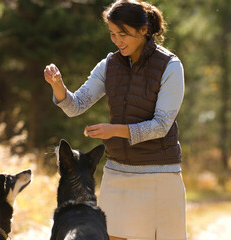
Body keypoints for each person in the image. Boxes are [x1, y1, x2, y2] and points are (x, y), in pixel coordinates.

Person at [44, 0, 186, 239]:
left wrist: (114, 131)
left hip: (160, 175)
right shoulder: (108, 65)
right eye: (112, 34)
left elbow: (161, 126)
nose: (118, 41)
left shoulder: (170, 66)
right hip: (117, 173)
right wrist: (58, 85)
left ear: (143, 30)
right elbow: (76, 106)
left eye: (124, 34)